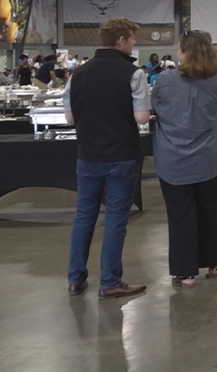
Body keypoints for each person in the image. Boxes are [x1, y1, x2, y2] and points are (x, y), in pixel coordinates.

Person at [63, 17, 151, 300]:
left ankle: (76, 279)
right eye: (133, 39)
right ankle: (110, 280)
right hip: (120, 154)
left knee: (84, 216)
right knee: (115, 218)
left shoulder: (78, 74)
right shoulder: (133, 74)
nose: (134, 43)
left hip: (87, 155)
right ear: (122, 40)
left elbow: (69, 118)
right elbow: (141, 118)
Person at [152, 30, 217, 288]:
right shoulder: (216, 81)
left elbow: (156, 109)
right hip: (206, 157)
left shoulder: (165, 80)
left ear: (183, 52)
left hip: (173, 158)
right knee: (212, 209)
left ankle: (185, 272)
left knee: (181, 214)